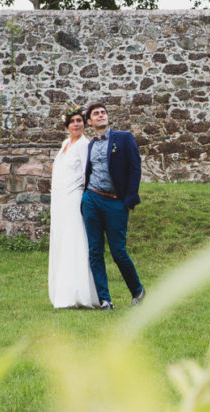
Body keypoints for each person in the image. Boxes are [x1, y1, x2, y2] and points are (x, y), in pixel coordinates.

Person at [81, 102, 145, 310]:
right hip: (91, 199)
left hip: (115, 201)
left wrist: (128, 200)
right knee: (95, 251)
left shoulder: (123, 138)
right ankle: (105, 300)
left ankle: (138, 291)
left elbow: (135, 169)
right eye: (96, 114)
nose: (101, 115)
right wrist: (85, 198)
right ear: (89, 121)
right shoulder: (90, 144)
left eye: (103, 112)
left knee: (118, 252)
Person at [48, 105, 99, 309]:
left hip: (74, 197)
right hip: (60, 200)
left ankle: (79, 293)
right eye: (72, 121)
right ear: (67, 125)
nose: (76, 124)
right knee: (61, 240)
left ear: (84, 123)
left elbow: (88, 174)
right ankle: (62, 291)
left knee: (75, 241)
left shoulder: (85, 145)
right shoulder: (65, 144)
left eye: (79, 120)